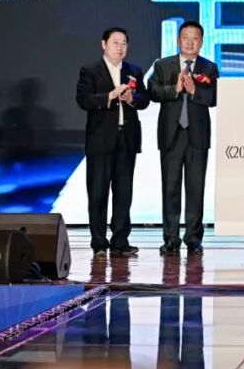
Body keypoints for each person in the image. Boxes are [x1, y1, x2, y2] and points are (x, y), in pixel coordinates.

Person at [75, 27, 149, 257]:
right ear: (104, 44)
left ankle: (120, 241)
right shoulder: (90, 70)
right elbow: (83, 100)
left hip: (127, 139)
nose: (120, 47)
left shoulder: (134, 71)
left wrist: (132, 98)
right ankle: (99, 242)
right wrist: (110, 95)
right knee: (98, 193)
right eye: (115, 42)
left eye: (124, 43)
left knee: (123, 193)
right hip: (100, 140)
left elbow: (144, 99)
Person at [150, 21, 219, 255]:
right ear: (178, 41)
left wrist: (194, 91)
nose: (190, 43)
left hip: (197, 136)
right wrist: (175, 89)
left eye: (195, 38)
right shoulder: (162, 65)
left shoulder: (209, 68)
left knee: (195, 189)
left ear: (201, 42)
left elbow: (215, 97)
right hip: (171, 135)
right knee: (170, 188)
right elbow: (152, 92)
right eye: (186, 38)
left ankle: (193, 238)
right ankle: (170, 238)